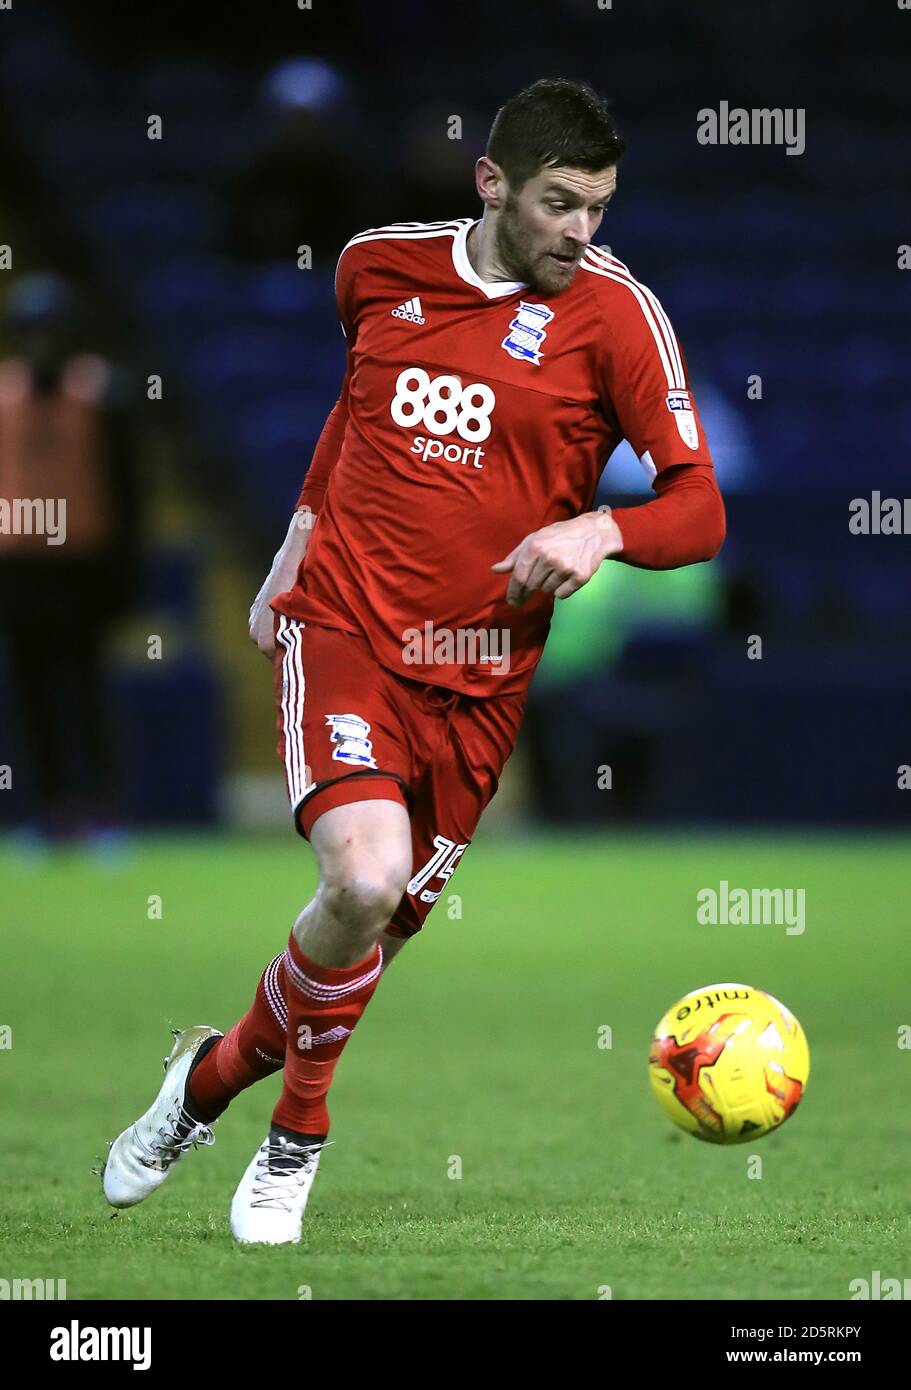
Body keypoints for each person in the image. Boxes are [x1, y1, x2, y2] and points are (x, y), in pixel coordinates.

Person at [102, 78, 725, 1244]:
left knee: (364, 935)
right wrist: (297, 536)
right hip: (346, 627)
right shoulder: (374, 266)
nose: (579, 231)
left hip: (481, 677)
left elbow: (699, 509)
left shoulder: (616, 317)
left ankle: (203, 1084)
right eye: (557, 204)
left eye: (597, 207)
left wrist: (602, 528)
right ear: (490, 183)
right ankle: (297, 1138)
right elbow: (359, 406)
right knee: (362, 879)